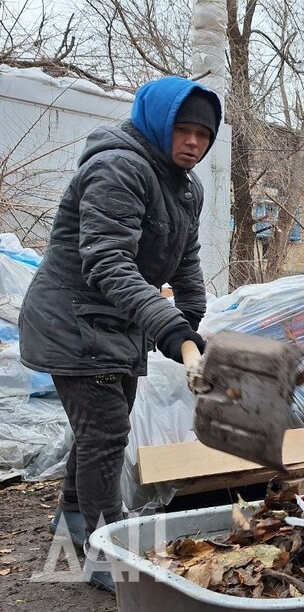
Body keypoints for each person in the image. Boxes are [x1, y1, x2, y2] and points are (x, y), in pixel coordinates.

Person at [18, 75, 220, 590]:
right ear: (157, 124)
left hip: (115, 323)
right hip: (72, 320)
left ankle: (73, 525)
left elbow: (186, 260)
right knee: (106, 433)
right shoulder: (118, 167)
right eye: (183, 130)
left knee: (101, 433)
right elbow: (108, 262)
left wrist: (190, 322)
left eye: (203, 134)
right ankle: (106, 553)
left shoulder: (186, 187)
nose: (193, 142)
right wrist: (168, 327)